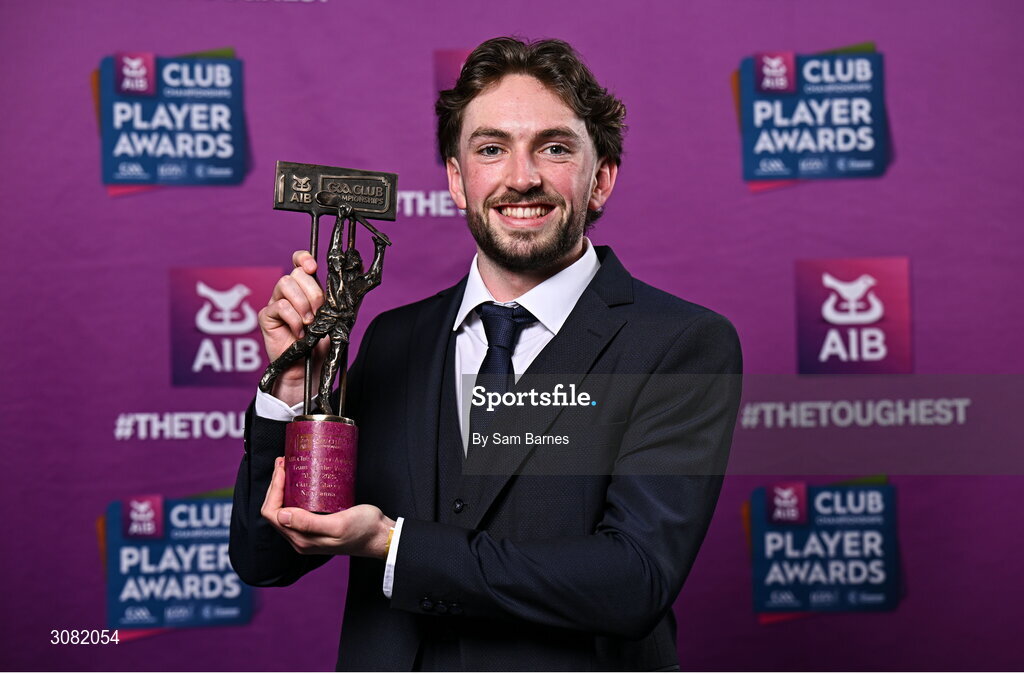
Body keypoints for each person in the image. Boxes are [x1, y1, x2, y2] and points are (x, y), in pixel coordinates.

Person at [230, 36, 742, 671]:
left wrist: (394, 545)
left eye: (554, 148)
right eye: (492, 149)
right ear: (457, 180)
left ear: (600, 179)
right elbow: (264, 559)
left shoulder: (678, 343)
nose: (520, 177)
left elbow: (632, 581)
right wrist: (293, 395)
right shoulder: (394, 340)